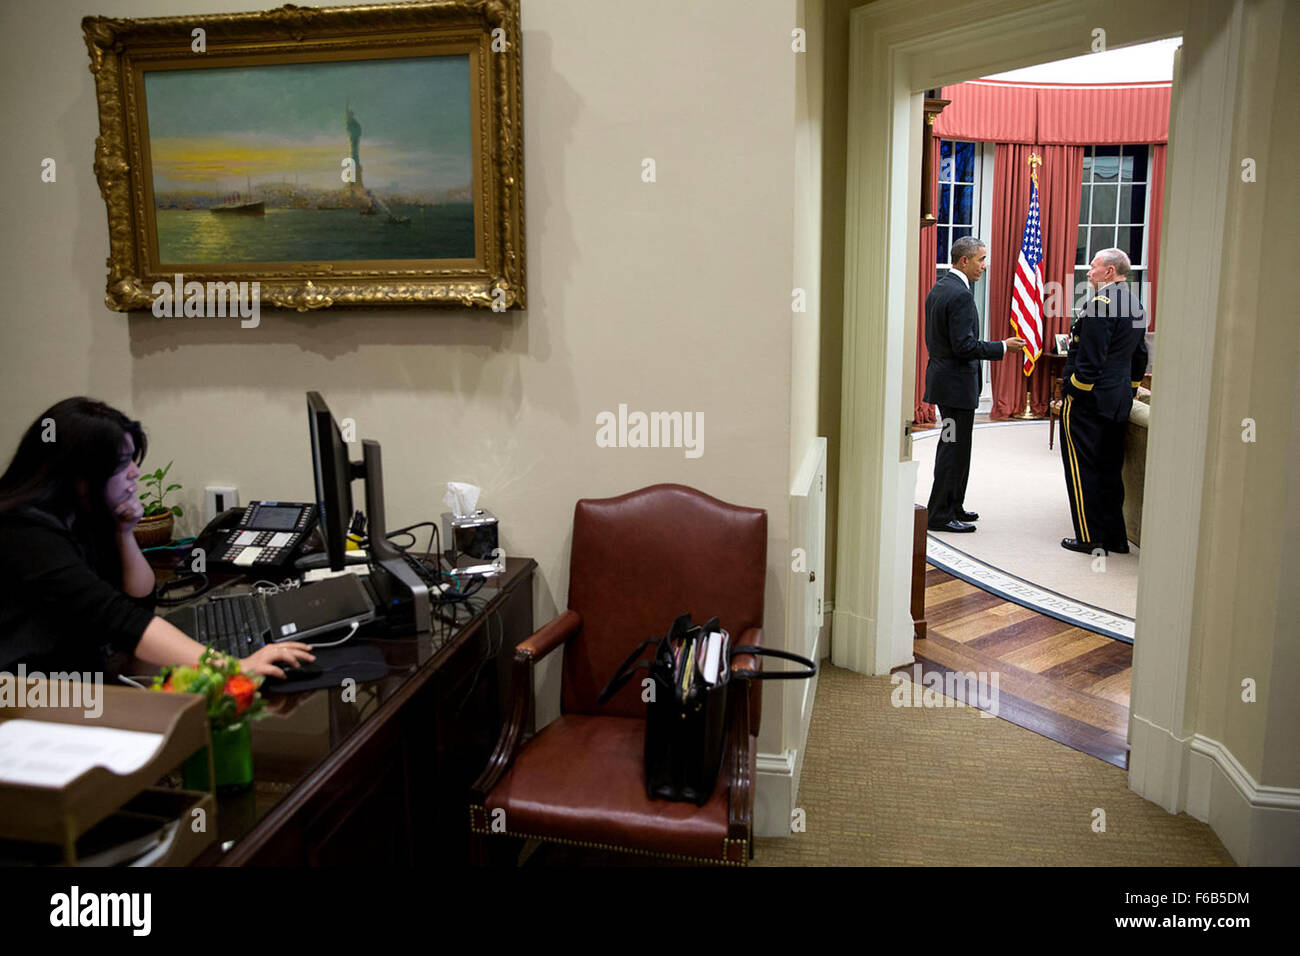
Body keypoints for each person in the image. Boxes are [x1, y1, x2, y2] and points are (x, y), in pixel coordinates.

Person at [0, 398, 314, 678]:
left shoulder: (83, 515)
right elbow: (118, 619)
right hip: (27, 694)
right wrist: (233, 668)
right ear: (79, 475)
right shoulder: (24, 532)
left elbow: (139, 603)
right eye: (122, 464)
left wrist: (124, 534)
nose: (135, 473)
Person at [923, 236, 1026, 532]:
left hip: (948, 384)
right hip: (955, 387)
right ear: (963, 261)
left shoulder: (942, 287)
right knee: (952, 449)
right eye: (981, 260)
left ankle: (954, 505)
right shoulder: (960, 295)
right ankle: (940, 515)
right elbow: (964, 347)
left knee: (957, 447)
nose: (985, 265)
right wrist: (1003, 347)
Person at [1059, 248, 1149, 555]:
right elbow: (1140, 356)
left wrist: (1073, 388)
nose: (1088, 272)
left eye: (1093, 267)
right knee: (1111, 468)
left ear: (1110, 272)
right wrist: (1131, 388)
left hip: (1088, 401)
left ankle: (1089, 536)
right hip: (1119, 399)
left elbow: (1090, 359)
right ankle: (1115, 537)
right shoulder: (1135, 303)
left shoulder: (1100, 305)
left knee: (1083, 467)